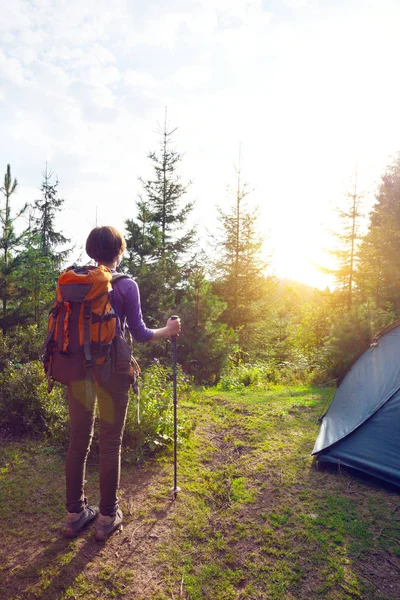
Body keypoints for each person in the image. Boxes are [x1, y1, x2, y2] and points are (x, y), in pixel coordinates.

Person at [64, 226, 181, 541]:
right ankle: (106, 517)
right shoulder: (126, 285)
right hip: (113, 369)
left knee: (78, 441)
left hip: (76, 371)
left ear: (91, 251)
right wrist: (168, 331)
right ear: (119, 251)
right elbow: (141, 334)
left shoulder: (73, 283)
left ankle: (74, 514)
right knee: (110, 442)